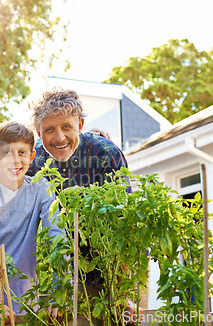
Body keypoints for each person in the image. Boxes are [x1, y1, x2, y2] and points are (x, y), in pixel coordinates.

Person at [26, 87, 140, 324]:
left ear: (80, 124)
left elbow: (124, 226)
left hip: (112, 271)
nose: (59, 138)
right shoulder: (32, 161)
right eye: (49, 130)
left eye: (66, 127)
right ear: (38, 132)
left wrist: (123, 295)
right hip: (59, 277)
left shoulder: (104, 153)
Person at [0, 121, 62, 315]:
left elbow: (58, 241)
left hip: (25, 305)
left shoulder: (40, 189)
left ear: (32, 156)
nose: (15, 160)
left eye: (22, 152)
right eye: (6, 152)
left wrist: (58, 295)